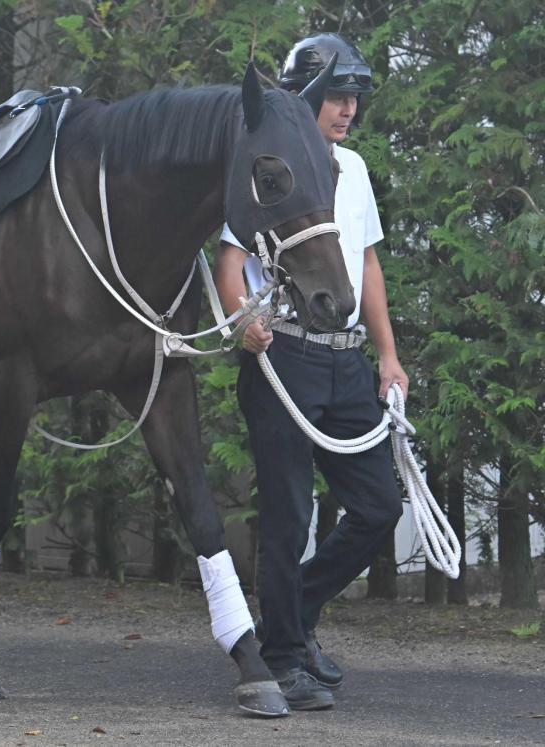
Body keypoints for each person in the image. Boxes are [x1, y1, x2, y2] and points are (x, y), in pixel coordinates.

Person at [215, 33, 408, 711]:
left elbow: (370, 265)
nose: (348, 108)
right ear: (304, 99)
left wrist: (388, 354)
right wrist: (243, 320)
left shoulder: (351, 168)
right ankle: (283, 657)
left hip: (346, 360)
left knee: (380, 504)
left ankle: (288, 620)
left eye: (354, 96)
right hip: (284, 357)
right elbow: (232, 261)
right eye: (335, 94)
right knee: (289, 517)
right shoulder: (270, 164)